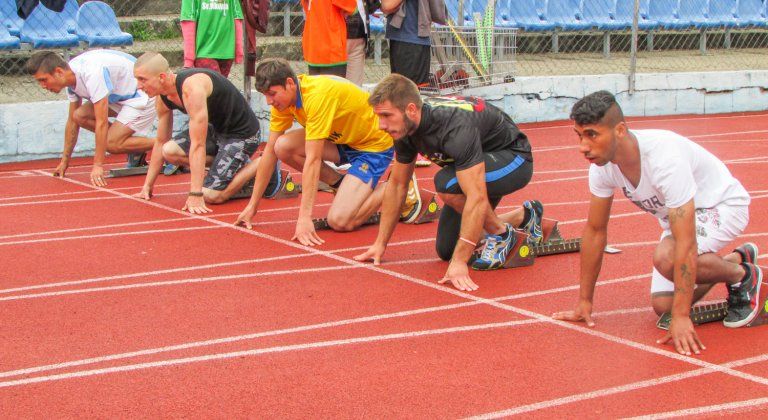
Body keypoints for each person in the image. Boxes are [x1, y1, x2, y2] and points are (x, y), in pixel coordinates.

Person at [552, 90, 762, 356]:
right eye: (579, 135)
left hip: (721, 206)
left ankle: (744, 276)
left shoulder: (664, 159)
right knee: (664, 306)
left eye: (592, 134)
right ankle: (733, 260)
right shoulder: (601, 168)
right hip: (681, 222)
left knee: (667, 258)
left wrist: (683, 316)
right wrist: (584, 302)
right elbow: (595, 231)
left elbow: (685, 242)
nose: (583, 146)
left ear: (619, 130)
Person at [354, 74, 542, 291]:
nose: (381, 125)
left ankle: (502, 235)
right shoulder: (404, 129)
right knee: (447, 249)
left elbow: (476, 196)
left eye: (386, 115)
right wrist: (380, 244)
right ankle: (524, 216)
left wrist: (461, 262)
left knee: (446, 182)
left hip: (513, 160)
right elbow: (397, 186)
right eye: (379, 116)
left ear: (411, 109)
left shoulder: (454, 127)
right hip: (475, 165)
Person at [234, 58, 422, 244]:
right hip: (343, 141)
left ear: (289, 83)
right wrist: (252, 205)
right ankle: (340, 184)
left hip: (372, 146)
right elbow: (270, 153)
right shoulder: (284, 102)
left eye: (272, 94)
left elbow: (313, 160)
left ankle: (398, 184)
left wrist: (304, 218)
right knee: (281, 146)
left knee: (340, 221)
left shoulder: (317, 97)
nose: (268, 101)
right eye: (265, 95)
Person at [132, 52, 281, 212]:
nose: (138, 86)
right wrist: (147, 186)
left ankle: (265, 162)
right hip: (217, 131)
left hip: (242, 134)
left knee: (211, 195)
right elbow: (161, 141)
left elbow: (198, 144)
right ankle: (237, 168)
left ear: (161, 77)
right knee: (168, 151)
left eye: (142, 80)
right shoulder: (162, 97)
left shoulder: (191, 90)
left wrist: (196, 193)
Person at [26, 50, 156, 187]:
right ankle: (132, 146)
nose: (43, 86)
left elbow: (102, 122)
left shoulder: (92, 74)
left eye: (43, 80)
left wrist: (98, 165)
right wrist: (64, 161)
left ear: (58, 72)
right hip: (119, 97)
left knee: (110, 144)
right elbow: (72, 121)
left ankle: (166, 146)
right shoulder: (70, 78)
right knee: (78, 115)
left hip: (141, 96)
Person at [180, 0, 244, 78]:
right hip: (205, 52)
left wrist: (238, 51)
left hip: (226, 52)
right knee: (216, 87)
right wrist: (189, 60)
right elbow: (188, 22)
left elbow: (237, 17)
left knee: (220, 87)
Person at [301, 0, 356, 77]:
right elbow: (351, 6)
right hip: (331, 48)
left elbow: (306, 6)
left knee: (317, 87)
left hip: (313, 47)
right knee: (334, 87)